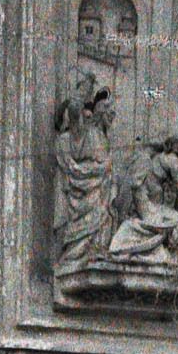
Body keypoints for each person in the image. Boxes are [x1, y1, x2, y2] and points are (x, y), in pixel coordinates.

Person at [53, 73, 118, 271]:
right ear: (97, 110)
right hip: (84, 194)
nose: (112, 114)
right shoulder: (83, 132)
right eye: (108, 109)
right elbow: (74, 108)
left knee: (100, 227)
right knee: (80, 240)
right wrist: (86, 86)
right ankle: (77, 257)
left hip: (101, 196)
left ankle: (96, 250)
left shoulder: (103, 138)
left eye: (112, 110)